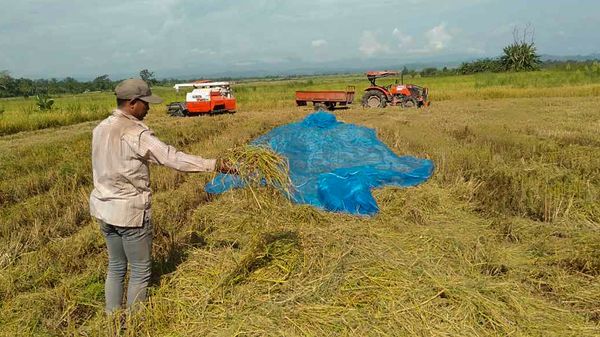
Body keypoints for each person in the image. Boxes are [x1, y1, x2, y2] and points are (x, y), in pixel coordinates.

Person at [89, 78, 234, 314]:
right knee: (140, 270)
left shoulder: (101, 128)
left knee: (116, 266)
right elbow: (172, 158)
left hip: (103, 209)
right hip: (130, 213)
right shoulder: (134, 132)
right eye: (146, 103)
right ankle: (135, 322)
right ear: (133, 103)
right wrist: (215, 165)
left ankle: (112, 318)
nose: (149, 108)